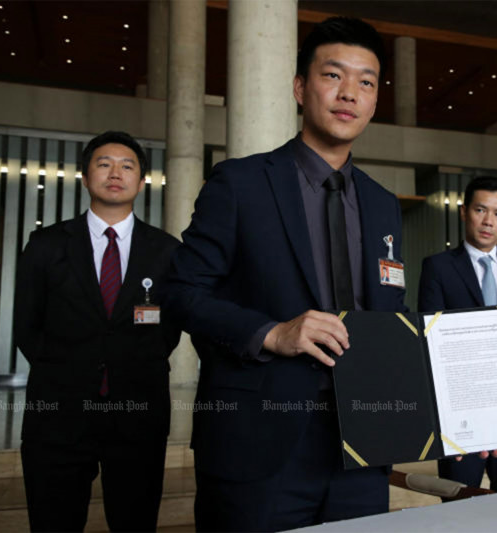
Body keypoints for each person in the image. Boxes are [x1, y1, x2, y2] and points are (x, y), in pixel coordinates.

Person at [165, 17, 407, 532]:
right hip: (258, 448)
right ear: (300, 88)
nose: (350, 93)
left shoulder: (384, 206)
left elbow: (390, 316)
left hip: (363, 448)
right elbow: (180, 292)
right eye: (333, 75)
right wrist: (272, 333)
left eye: (366, 82)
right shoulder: (241, 183)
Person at [14, 131, 181, 531]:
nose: (115, 173)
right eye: (103, 164)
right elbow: (26, 326)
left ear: (142, 182)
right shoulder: (46, 245)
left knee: (135, 520)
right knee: (53, 519)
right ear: (86, 177)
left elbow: (170, 327)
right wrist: (66, 371)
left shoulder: (166, 251)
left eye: (127, 166)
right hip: (57, 412)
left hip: (138, 410)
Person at [418, 176, 497, 492]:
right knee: (459, 500)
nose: (488, 221)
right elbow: (429, 339)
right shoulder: (438, 267)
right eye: (480, 210)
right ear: (464, 212)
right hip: (460, 414)